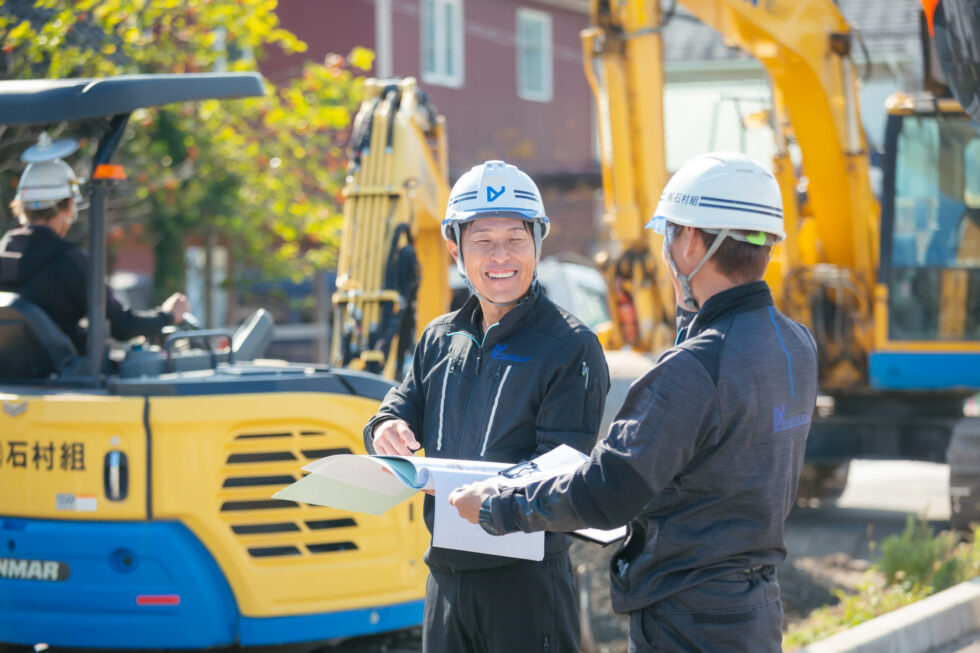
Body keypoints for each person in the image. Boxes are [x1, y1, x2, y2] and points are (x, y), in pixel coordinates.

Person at [450, 152, 818, 652]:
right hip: (754, 608)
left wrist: (496, 506)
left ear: (688, 241)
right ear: (768, 242)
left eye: (668, 235)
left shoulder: (694, 368)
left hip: (687, 618)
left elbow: (608, 490)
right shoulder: (795, 344)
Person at [363, 160, 610, 652]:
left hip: (525, 583)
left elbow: (561, 471)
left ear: (538, 243)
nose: (501, 256)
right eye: (483, 241)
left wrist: (488, 503)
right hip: (446, 577)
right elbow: (395, 408)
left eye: (515, 239)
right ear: (455, 248)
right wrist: (385, 428)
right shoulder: (438, 338)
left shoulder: (570, 347)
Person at [0, 138, 189, 354]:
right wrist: (167, 315)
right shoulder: (71, 261)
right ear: (69, 205)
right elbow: (122, 325)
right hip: (67, 381)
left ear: (21, 205)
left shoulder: (4, 251)